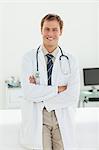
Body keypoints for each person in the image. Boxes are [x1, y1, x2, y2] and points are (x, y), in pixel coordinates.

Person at [19, 14, 80, 150]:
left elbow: (72, 95)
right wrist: (57, 89)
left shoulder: (71, 60)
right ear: (41, 30)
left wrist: (40, 94)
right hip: (39, 118)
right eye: (47, 29)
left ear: (61, 32)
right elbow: (28, 92)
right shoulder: (28, 58)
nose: (50, 33)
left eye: (54, 29)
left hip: (62, 117)